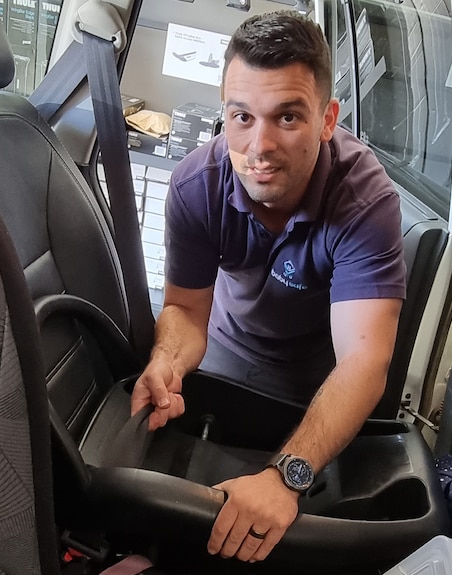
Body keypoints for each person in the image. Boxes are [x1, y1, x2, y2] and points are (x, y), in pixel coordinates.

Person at [130, 10, 406, 564]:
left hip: (316, 387)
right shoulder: (195, 187)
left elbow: (363, 364)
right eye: (241, 116)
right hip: (225, 363)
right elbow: (185, 310)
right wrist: (167, 362)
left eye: (287, 117)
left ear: (327, 119)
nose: (259, 146)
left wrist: (287, 476)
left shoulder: (366, 203)